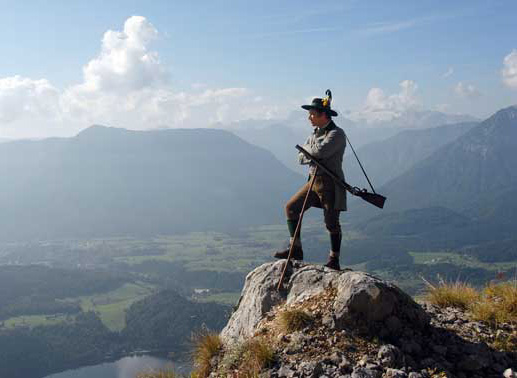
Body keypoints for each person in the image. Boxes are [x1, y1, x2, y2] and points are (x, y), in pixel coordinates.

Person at [273, 90, 347, 271]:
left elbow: (320, 153)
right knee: (291, 208)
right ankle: (295, 247)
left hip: (330, 183)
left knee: (331, 222)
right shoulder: (315, 134)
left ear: (323, 115)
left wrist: (309, 150)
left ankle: (334, 259)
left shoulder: (337, 134)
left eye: (312, 114)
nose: (309, 118)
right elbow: (301, 157)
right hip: (313, 182)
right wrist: (311, 151)